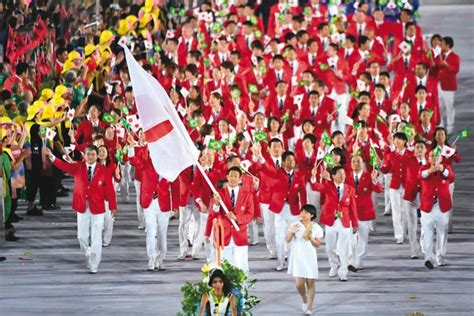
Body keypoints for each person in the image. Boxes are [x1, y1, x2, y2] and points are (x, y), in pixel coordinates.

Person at [43, 145, 117, 273]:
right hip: (82, 205)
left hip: (98, 207)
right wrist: (51, 156)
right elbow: (63, 166)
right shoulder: (78, 166)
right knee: (81, 237)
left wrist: (113, 206)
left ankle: (94, 264)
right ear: (85, 155)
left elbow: (110, 189)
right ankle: (89, 253)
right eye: (88, 154)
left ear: (97, 156)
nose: (90, 157)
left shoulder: (104, 170)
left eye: (93, 154)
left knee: (96, 236)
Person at [311, 166, 358, 281]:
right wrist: (313, 176)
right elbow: (316, 186)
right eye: (339, 174)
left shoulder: (350, 189)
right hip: (331, 220)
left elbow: (353, 207)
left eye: (343, 174)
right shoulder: (328, 186)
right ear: (333, 176)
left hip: (345, 221)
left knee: (344, 247)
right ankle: (333, 265)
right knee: (330, 247)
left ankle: (343, 271)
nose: (342, 176)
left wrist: (355, 223)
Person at [206, 167, 254, 274]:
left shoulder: (247, 194)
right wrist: (217, 204)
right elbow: (213, 214)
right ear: (227, 177)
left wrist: (236, 218)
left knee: (242, 268)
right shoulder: (219, 194)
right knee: (224, 268)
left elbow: (250, 215)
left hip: (240, 236)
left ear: (240, 179)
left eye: (235, 176)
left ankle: (241, 290)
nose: (233, 178)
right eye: (231, 176)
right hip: (224, 236)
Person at [419, 149, 454, 269]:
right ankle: (429, 258)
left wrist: (441, 169)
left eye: (437, 156)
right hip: (427, 207)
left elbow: (451, 176)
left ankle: (440, 255)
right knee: (427, 233)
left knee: (442, 233)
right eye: (432, 156)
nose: (434, 158)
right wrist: (430, 170)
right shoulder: (423, 168)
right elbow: (421, 175)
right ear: (428, 157)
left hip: (442, 207)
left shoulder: (446, 168)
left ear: (441, 158)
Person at [286, 204, 323, 315]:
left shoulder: (316, 227)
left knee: (310, 282)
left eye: (306, 213)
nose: (303, 214)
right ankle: (304, 299)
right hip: (298, 256)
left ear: (312, 215)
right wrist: (291, 232)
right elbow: (287, 240)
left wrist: (311, 238)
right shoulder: (295, 224)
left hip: (310, 257)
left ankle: (309, 308)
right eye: (302, 212)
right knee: (299, 284)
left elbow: (317, 245)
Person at [436, 36, 460, 133]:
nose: (440, 45)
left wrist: (447, 65)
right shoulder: (439, 55)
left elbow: (456, 70)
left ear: (447, 45)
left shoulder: (455, 57)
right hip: (438, 85)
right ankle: (440, 125)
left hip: (448, 87)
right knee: (439, 106)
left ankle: (450, 126)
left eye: (442, 44)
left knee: (449, 106)